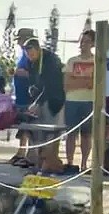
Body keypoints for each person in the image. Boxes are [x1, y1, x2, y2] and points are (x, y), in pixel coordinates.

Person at [22, 38, 66, 171]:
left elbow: (51, 85)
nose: (30, 56)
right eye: (27, 53)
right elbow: (34, 80)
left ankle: (51, 164)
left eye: (31, 52)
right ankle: (40, 163)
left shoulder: (51, 60)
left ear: (38, 49)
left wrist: (37, 103)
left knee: (51, 133)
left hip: (54, 101)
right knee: (37, 132)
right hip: (39, 100)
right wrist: (32, 90)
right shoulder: (31, 62)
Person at [64, 29, 96, 173]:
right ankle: (70, 162)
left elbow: (95, 83)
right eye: (82, 41)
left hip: (89, 101)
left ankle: (84, 164)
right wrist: (85, 81)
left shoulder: (97, 61)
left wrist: (77, 80)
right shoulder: (72, 61)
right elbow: (67, 85)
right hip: (72, 101)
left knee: (87, 134)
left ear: (93, 43)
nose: (83, 44)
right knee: (71, 133)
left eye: (87, 41)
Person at [11, 28, 38, 166]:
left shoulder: (31, 56)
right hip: (20, 96)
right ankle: (21, 152)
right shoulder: (22, 55)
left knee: (29, 126)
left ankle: (30, 154)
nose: (20, 42)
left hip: (29, 97)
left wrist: (19, 72)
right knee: (23, 126)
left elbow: (33, 74)